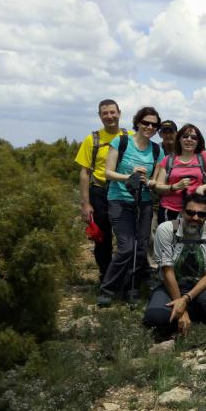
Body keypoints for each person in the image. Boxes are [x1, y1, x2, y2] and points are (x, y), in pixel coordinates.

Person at [98, 107, 164, 306]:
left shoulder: (156, 150)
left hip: (143, 202)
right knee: (126, 247)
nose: (149, 127)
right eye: (146, 123)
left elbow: (156, 181)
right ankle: (107, 289)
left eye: (154, 124)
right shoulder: (122, 142)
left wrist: (148, 181)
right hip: (119, 199)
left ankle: (130, 288)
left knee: (141, 248)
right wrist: (130, 176)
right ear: (138, 123)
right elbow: (107, 173)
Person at [143, 193, 206, 335]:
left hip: (198, 286)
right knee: (155, 318)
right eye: (190, 213)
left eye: (201, 214)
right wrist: (182, 309)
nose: (195, 218)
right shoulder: (166, 229)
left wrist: (185, 299)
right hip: (169, 285)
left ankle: (193, 318)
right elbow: (167, 271)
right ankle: (177, 319)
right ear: (182, 211)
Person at [75, 99, 129, 282]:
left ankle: (127, 276)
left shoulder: (129, 136)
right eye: (105, 113)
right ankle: (106, 276)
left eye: (112, 112)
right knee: (102, 238)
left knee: (126, 236)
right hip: (99, 192)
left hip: (123, 192)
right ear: (100, 116)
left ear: (119, 113)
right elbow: (84, 172)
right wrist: (85, 203)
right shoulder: (93, 139)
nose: (109, 116)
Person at [154, 124, 206, 223]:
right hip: (170, 209)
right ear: (179, 139)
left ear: (198, 141)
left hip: (195, 211)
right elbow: (158, 186)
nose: (189, 139)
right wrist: (174, 187)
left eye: (194, 137)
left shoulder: (203, 157)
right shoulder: (168, 160)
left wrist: (202, 187)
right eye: (185, 136)